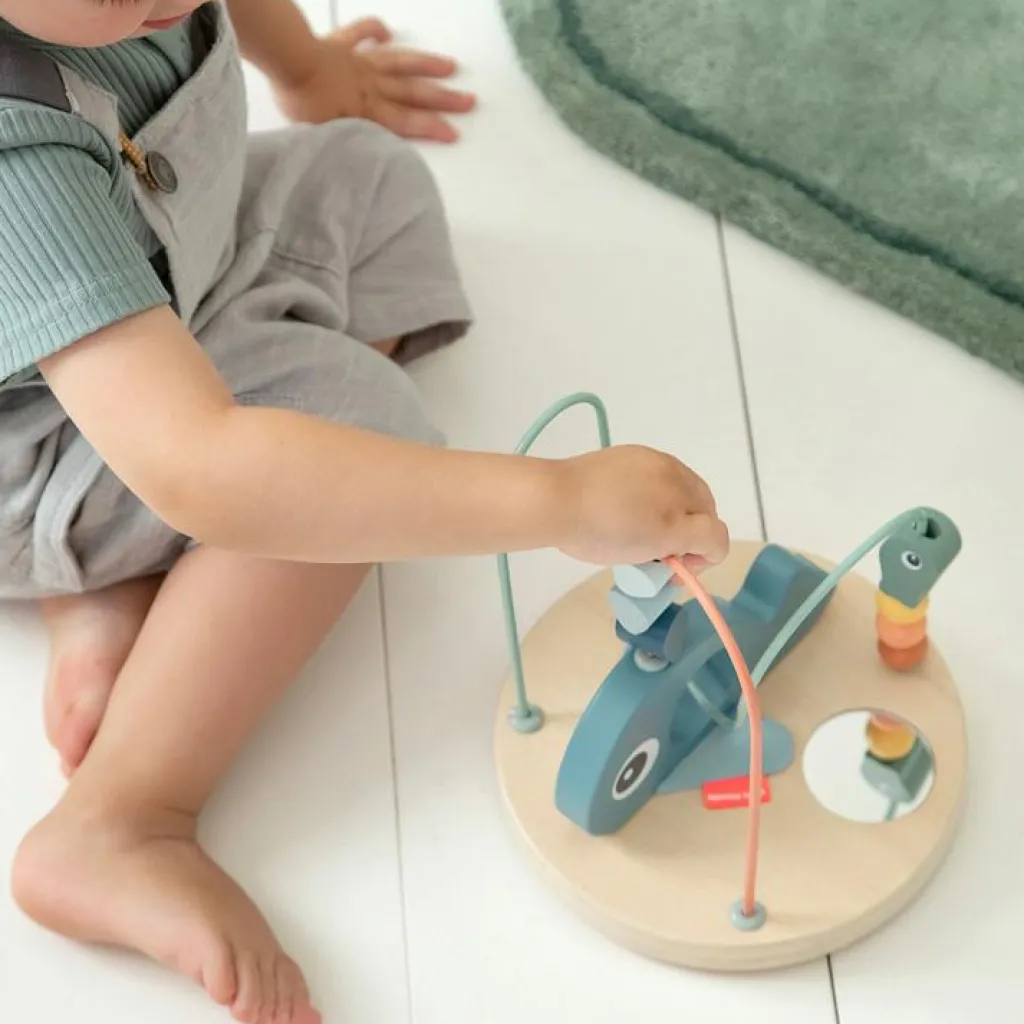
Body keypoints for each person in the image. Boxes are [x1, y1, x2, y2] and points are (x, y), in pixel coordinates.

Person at [0, 2, 731, 1022]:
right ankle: (121, 816)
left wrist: (306, 69)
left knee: (370, 180)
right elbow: (200, 463)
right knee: (353, 423)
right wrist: (557, 499)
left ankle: (136, 576)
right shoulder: (16, 158)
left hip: (183, 282)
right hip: (41, 446)